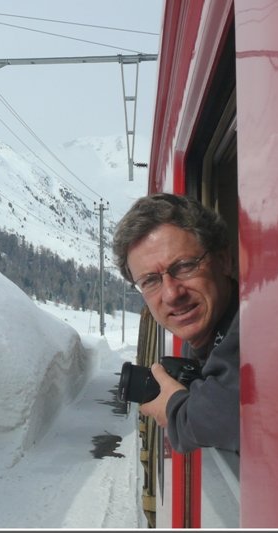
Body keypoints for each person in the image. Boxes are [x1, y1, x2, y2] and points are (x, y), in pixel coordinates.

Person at [112, 193, 240, 453]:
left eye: (184, 266)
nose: (171, 294)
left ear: (224, 260)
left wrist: (176, 408)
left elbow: (232, 416)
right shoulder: (210, 340)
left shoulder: (259, 323)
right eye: (150, 281)